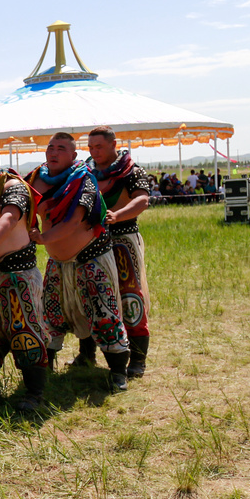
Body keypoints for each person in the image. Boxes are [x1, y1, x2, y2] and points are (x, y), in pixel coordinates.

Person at [29, 133, 130, 391]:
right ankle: (46, 369)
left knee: (104, 313)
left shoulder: (84, 180)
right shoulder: (34, 180)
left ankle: (119, 372)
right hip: (57, 261)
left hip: (91, 258)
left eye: (61, 148)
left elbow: (75, 221)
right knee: (50, 316)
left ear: (73, 155)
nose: (53, 152)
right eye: (50, 147)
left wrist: (43, 238)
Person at [0, 138, 52, 413]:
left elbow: (9, 217)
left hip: (17, 275)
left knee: (25, 331)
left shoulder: (13, 187)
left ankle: (35, 392)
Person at [88, 127, 152, 378]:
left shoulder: (132, 171)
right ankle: (87, 353)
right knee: (93, 298)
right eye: (91, 147)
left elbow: (142, 200)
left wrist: (118, 215)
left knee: (129, 297)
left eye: (99, 146)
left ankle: (137, 360)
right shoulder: (86, 172)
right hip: (92, 242)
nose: (94, 151)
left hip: (123, 241)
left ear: (114, 144)